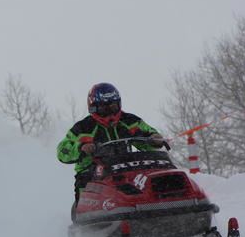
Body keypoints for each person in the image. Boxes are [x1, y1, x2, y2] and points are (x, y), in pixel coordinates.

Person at [56, 83, 165, 217]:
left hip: (127, 169)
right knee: (86, 188)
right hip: (92, 174)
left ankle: (161, 207)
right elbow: (62, 151)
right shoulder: (83, 128)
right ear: (93, 108)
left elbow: (148, 133)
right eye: (104, 108)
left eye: (113, 107)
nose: (110, 113)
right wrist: (81, 148)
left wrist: (154, 139)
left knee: (152, 176)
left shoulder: (130, 121)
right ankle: (87, 226)